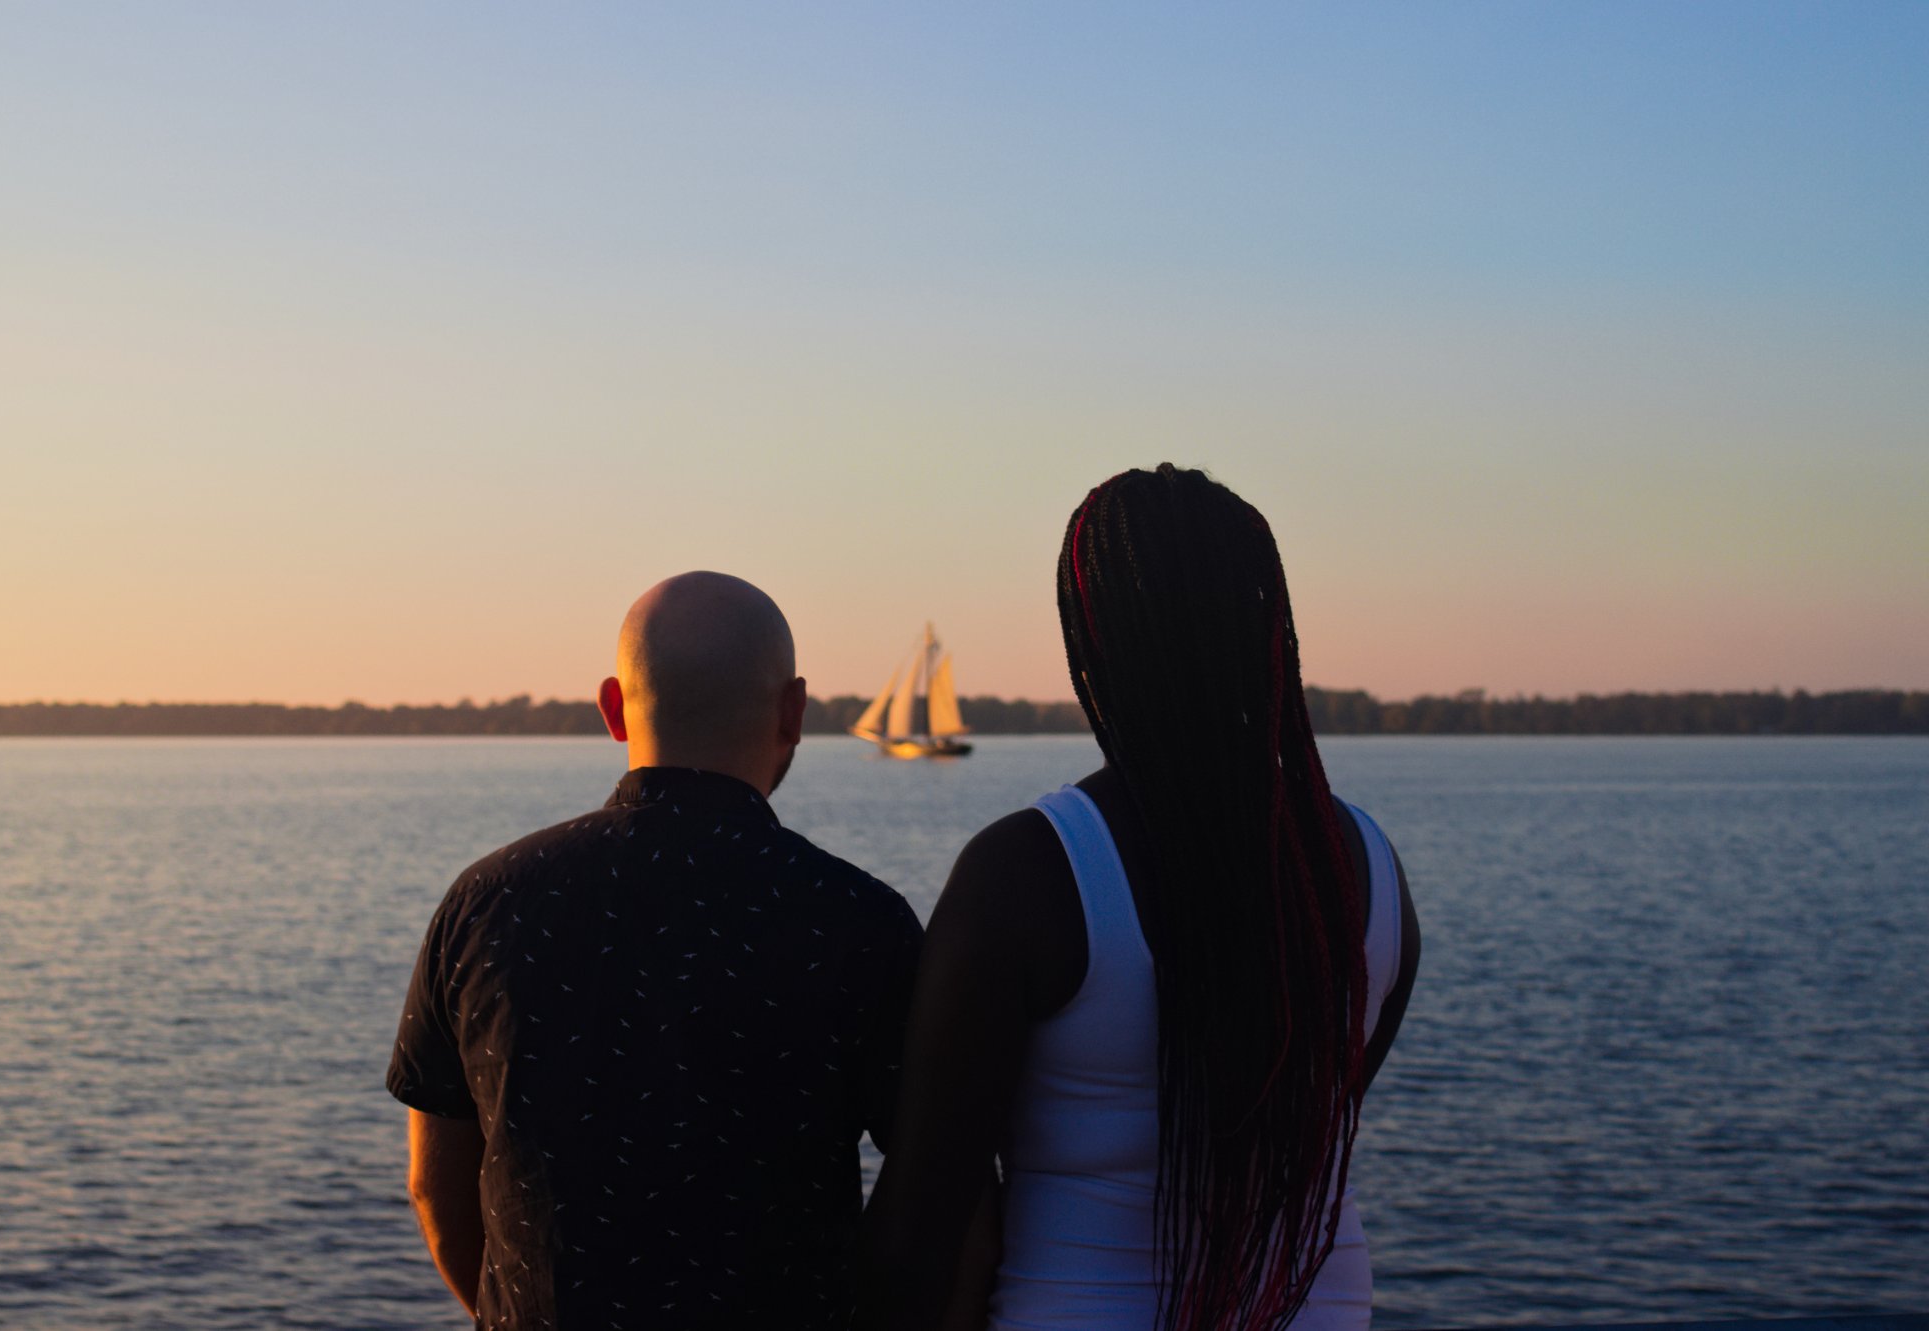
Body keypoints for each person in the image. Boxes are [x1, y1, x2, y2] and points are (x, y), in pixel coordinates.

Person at [857, 466, 1420, 1331]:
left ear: (1092, 637)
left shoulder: (1028, 872)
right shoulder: (1368, 869)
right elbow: (1323, 1111)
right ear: (1269, 631)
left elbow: (923, 1222)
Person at [388, 570, 923, 1330]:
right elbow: (939, 1186)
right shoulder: (859, 921)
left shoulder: (484, 904)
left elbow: (432, 1186)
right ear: (794, 710)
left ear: (613, 706)